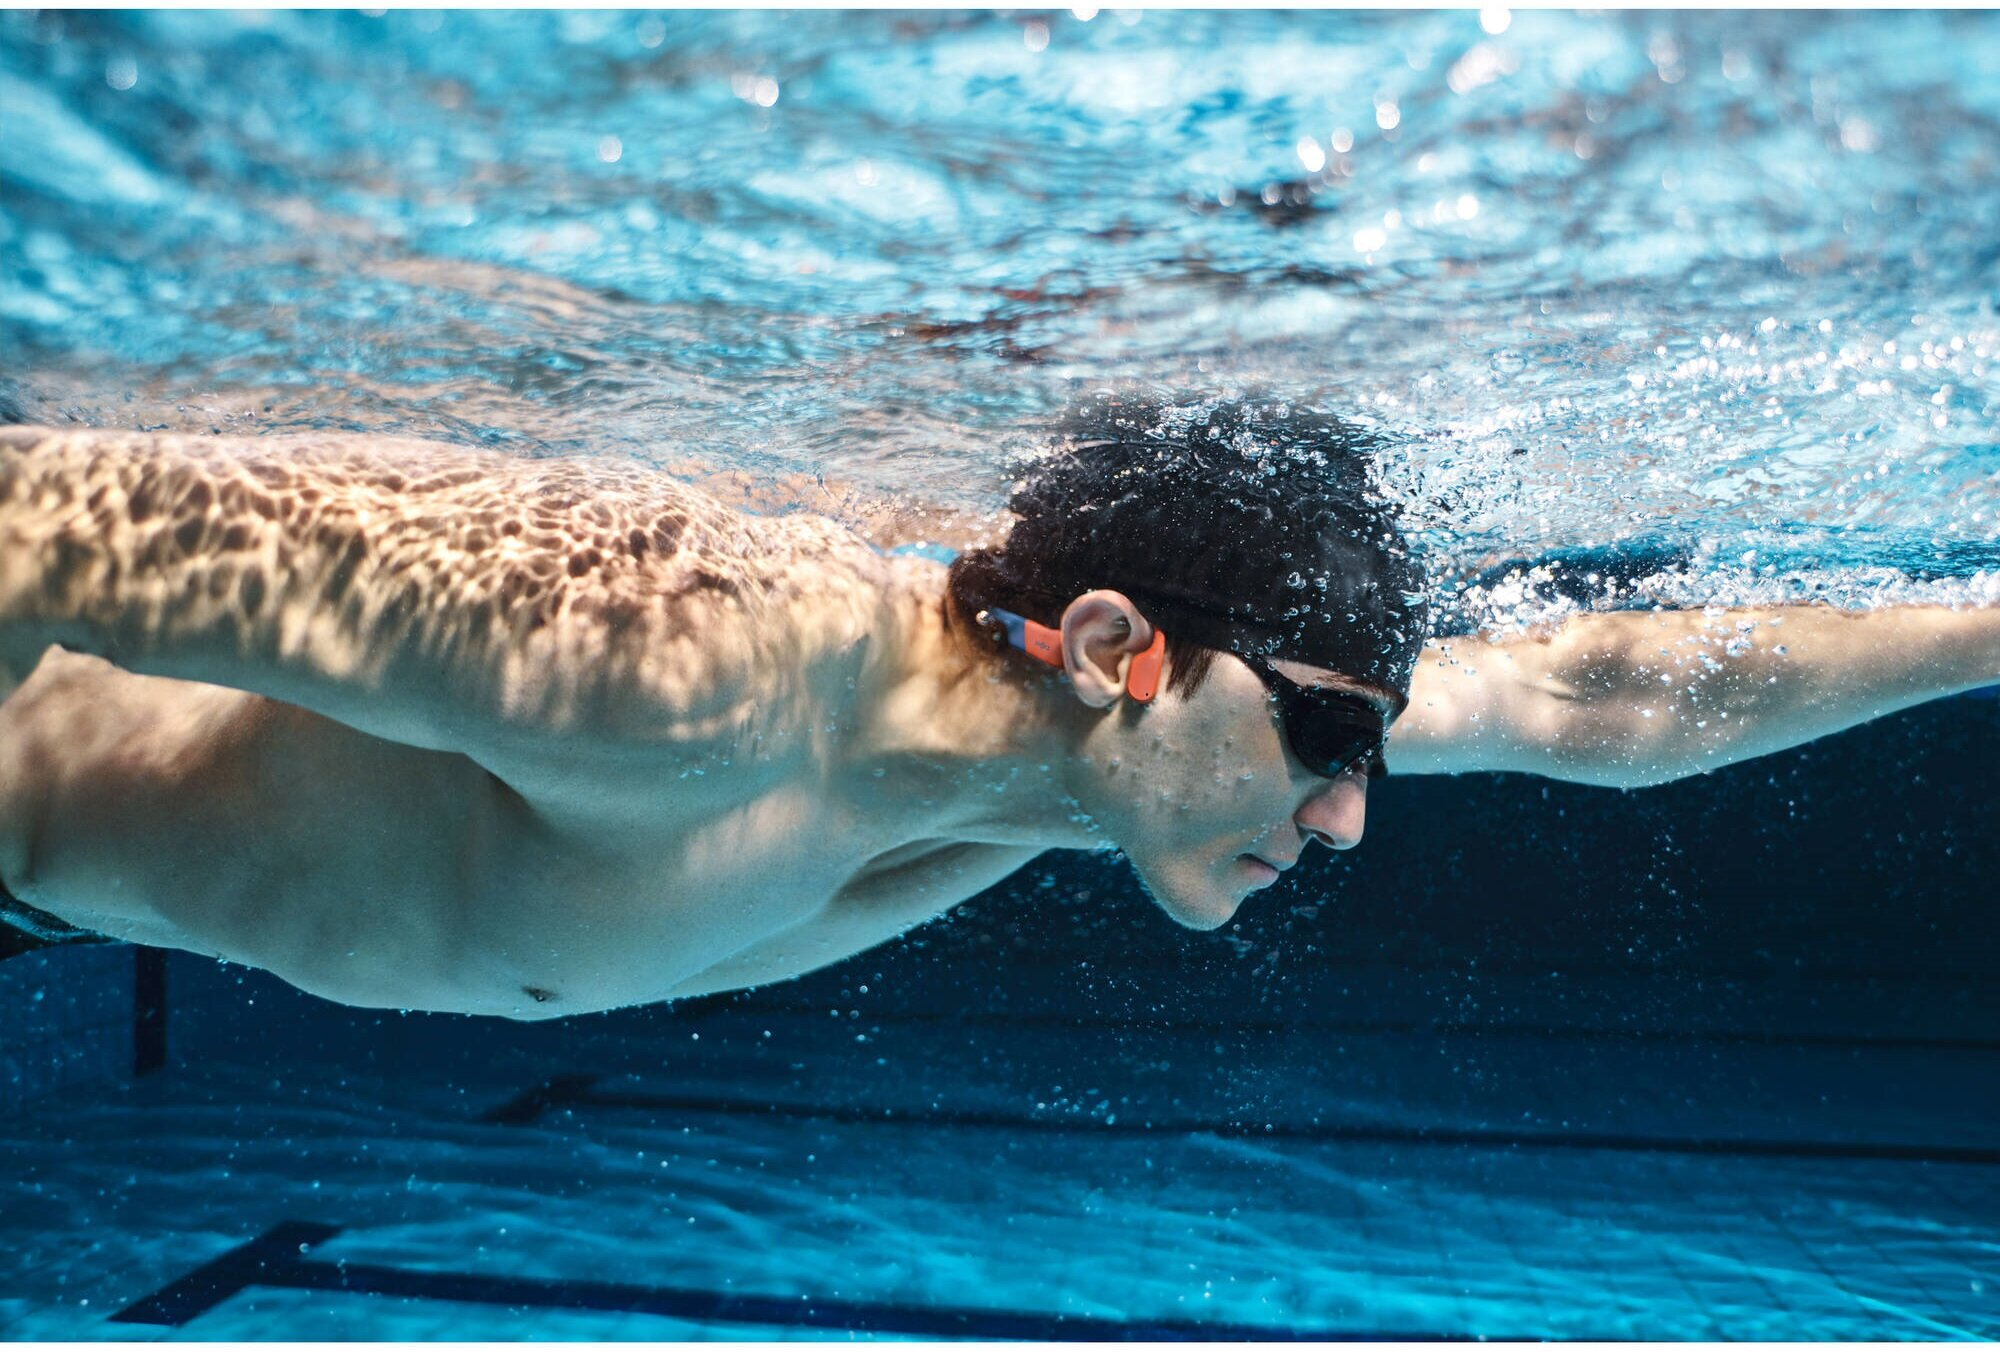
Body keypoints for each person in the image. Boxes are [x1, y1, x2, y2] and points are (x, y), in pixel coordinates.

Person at [1, 396, 1994, 1019]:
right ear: (1121, 636)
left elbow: (1594, 681)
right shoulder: (679, 670)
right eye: (1332, 743)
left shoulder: (1082, 767)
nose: (1356, 814)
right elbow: (38, 510)